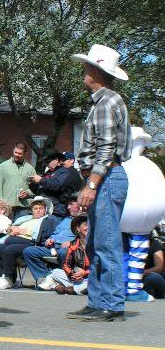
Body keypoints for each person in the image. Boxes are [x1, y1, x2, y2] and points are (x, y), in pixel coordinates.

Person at [67, 44, 132, 322]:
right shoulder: (105, 101)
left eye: (87, 68)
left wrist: (91, 185)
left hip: (105, 179)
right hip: (106, 178)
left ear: (96, 71)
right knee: (96, 243)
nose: (84, 71)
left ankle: (112, 303)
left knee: (105, 243)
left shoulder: (106, 103)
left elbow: (106, 148)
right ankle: (99, 300)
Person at [120, 126, 165, 302]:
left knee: (123, 251)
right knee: (136, 251)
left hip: (124, 215)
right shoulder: (149, 166)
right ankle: (131, 288)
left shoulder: (119, 164)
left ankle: (126, 288)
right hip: (142, 221)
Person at [0, 196, 58, 289]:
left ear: (45, 210)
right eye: (35, 208)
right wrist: (11, 228)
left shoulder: (48, 220)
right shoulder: (25, 218)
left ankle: (9, 279)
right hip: (12, 240)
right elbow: (10, 228)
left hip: (30, 242)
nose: (38, 210)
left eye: (41, 208)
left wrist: (23, 231)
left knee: (9, 249)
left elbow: (44, 234)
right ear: (31, 210)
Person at [26, 195, 82, 289]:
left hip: (70, 248)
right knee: (29, 251)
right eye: (68, 205)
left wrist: (72, 243)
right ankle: (46, 277)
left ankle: (61, 279)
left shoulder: (84, 220)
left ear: (79, 205)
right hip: (53, 248)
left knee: (63, 252)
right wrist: (50, 239)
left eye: (71, 205)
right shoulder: (66, 219)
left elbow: (87, 238)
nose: (68, 207)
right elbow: (55, 233)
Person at [30, 150, 82, 219]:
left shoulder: (64, 171)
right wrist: (32, 184)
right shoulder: (48, 173)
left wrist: (41, 180)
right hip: (44, 209)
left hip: (56, 211)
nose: (47, 165)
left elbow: (57, 185)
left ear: (56, 160)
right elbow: (40, 190)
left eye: (47, 162)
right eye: (45, 162)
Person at [47, 215, 90, 295]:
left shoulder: (97, 244)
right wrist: (72, 274)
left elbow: (101, 267)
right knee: (56, 272)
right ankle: (78, 287)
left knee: (97, 278)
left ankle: (74, 289)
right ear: (78, 229)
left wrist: (86, 273)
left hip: (91, 275)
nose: (88, 227)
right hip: (80, 278)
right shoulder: (73, 245)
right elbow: (66, 265)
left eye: (91, 225)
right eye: (85, 224)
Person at [0, 143, 36, 219]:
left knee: (20, 230)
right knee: (6, 229)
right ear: (13, 151)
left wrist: (28, 192)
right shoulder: (3, 166)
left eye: (20, 153)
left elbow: (35, 187)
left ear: (25, 153)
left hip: (24, 207)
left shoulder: (30, 169)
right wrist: (1, 203)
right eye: (15, 152)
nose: (17, 155)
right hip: (6, 206)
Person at [142, 232, 164, 299]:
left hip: (148, 275)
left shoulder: (154, 243)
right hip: (133, 277)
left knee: (154, 277)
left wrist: (143, 272)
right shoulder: (128, 243)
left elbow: (159, 267)